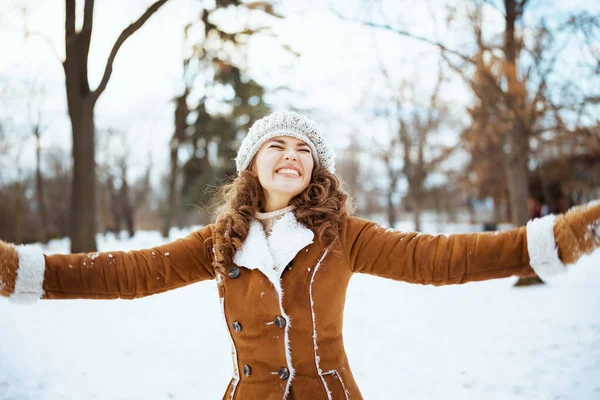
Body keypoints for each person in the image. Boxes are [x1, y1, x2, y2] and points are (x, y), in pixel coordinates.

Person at [1, 110, 600, 400]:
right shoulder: (219, 246)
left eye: (304, 150)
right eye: (276, 145)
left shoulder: (343, 235)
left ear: (315, 168)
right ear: (251, 164)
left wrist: (562, 238)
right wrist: (18, 271)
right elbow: (125, 273)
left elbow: (440, 258)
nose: (292, 155)